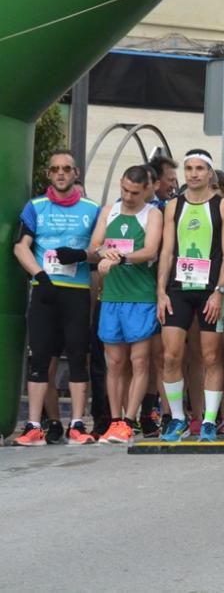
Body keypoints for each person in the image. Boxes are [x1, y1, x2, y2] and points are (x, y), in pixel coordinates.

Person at [12, 151, 101, 446]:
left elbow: (102, 250)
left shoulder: (92, 209)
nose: (61, 174)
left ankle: (77, 424)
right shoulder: (36, 207)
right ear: (48, 175)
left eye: (66, 169)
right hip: (45, 291)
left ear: (76, 173)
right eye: (55, 169)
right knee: (39, 360)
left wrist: (83, 255)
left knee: (77, 357)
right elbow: (21, 247)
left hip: (77, 293)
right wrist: (40, 275)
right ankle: (34, 425)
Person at [156, 149, 224, 443]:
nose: (193, 173)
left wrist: (220, 291)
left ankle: (210, 421)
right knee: (171, 354)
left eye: (200, 168)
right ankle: (178, 419)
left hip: (209, 290)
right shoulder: (173, 206)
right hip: (178, 289)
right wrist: (161, 292)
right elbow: (166, 251)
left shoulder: (223, 206)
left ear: (210, 173)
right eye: (189, 168)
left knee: (211, 356)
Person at [90, 166, 164, 443]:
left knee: (140, 360)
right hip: (112, 297)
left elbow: (151, 250)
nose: (128, 196)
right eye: (124, 190)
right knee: (116, 362)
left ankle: (130, 419)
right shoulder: (109, 210)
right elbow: (95, 244)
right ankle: (115, 419)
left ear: (146, 189)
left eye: (134, 192)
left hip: (141, 296)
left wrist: (120, 257)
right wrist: (101, 251)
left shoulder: (152, 214)